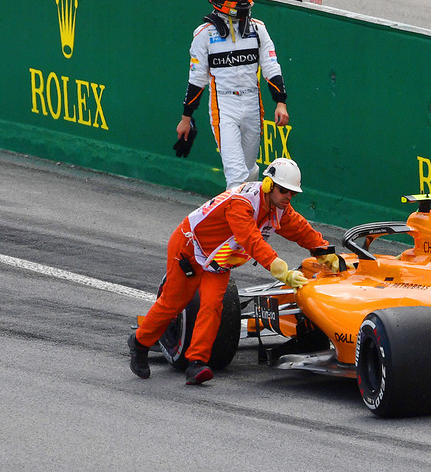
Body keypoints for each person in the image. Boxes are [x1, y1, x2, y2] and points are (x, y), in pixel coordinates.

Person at [128, 158, 342, 385]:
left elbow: (301, 230)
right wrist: (281, 270)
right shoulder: (241, 204)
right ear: (269, 185)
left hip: (219, 260)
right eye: (283, 191)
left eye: (292, 193)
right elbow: (250, 240)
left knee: (212, 306)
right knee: (173, 302)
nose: (288, 197)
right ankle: (139, 343)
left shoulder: (280, 209)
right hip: (189, 248)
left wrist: (324, 251)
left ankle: (196, 364)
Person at [178, 0, 289, 190]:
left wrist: (280, 101)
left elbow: (271, 66)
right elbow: (197, 79)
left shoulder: (259, 29)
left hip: (252, 105)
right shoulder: (204, 34)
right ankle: (237, 223)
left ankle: (245, 215)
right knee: (237, 175)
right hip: (223, 106)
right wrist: (186, 117)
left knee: (249, 171)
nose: (243, 1)